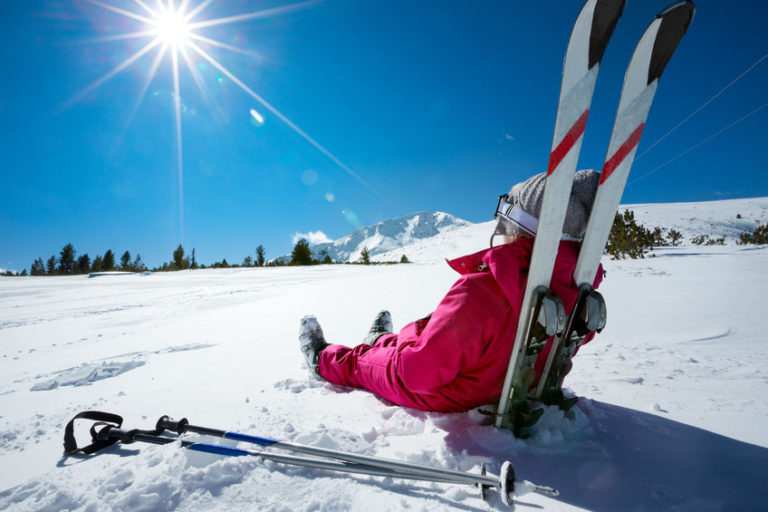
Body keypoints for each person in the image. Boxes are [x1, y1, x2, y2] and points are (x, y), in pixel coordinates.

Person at [298, 170, 604, 413]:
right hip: (507, 382)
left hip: (453, 394)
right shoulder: (576, 291)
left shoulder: (482, 292)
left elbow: (416, 374)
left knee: (367, 363)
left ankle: (322, 358)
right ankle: (382, 339)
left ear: (517, 227)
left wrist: (406, 343)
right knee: (421, 333)